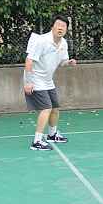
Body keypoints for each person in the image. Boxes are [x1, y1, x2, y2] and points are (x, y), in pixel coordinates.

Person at [23, 15, 76, 151]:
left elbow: (62, 62)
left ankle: (52, 135)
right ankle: (37, 141)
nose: (60, 28)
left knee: (55, 108)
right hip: (35, 79)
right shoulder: (41, 41)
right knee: (46, 108)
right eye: (58, 25)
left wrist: (68, 62)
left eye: (63, 26)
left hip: (48, 80)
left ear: (66, 29)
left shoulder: (63, 43)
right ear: (52, 26)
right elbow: (29, 61)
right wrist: (28, 82)